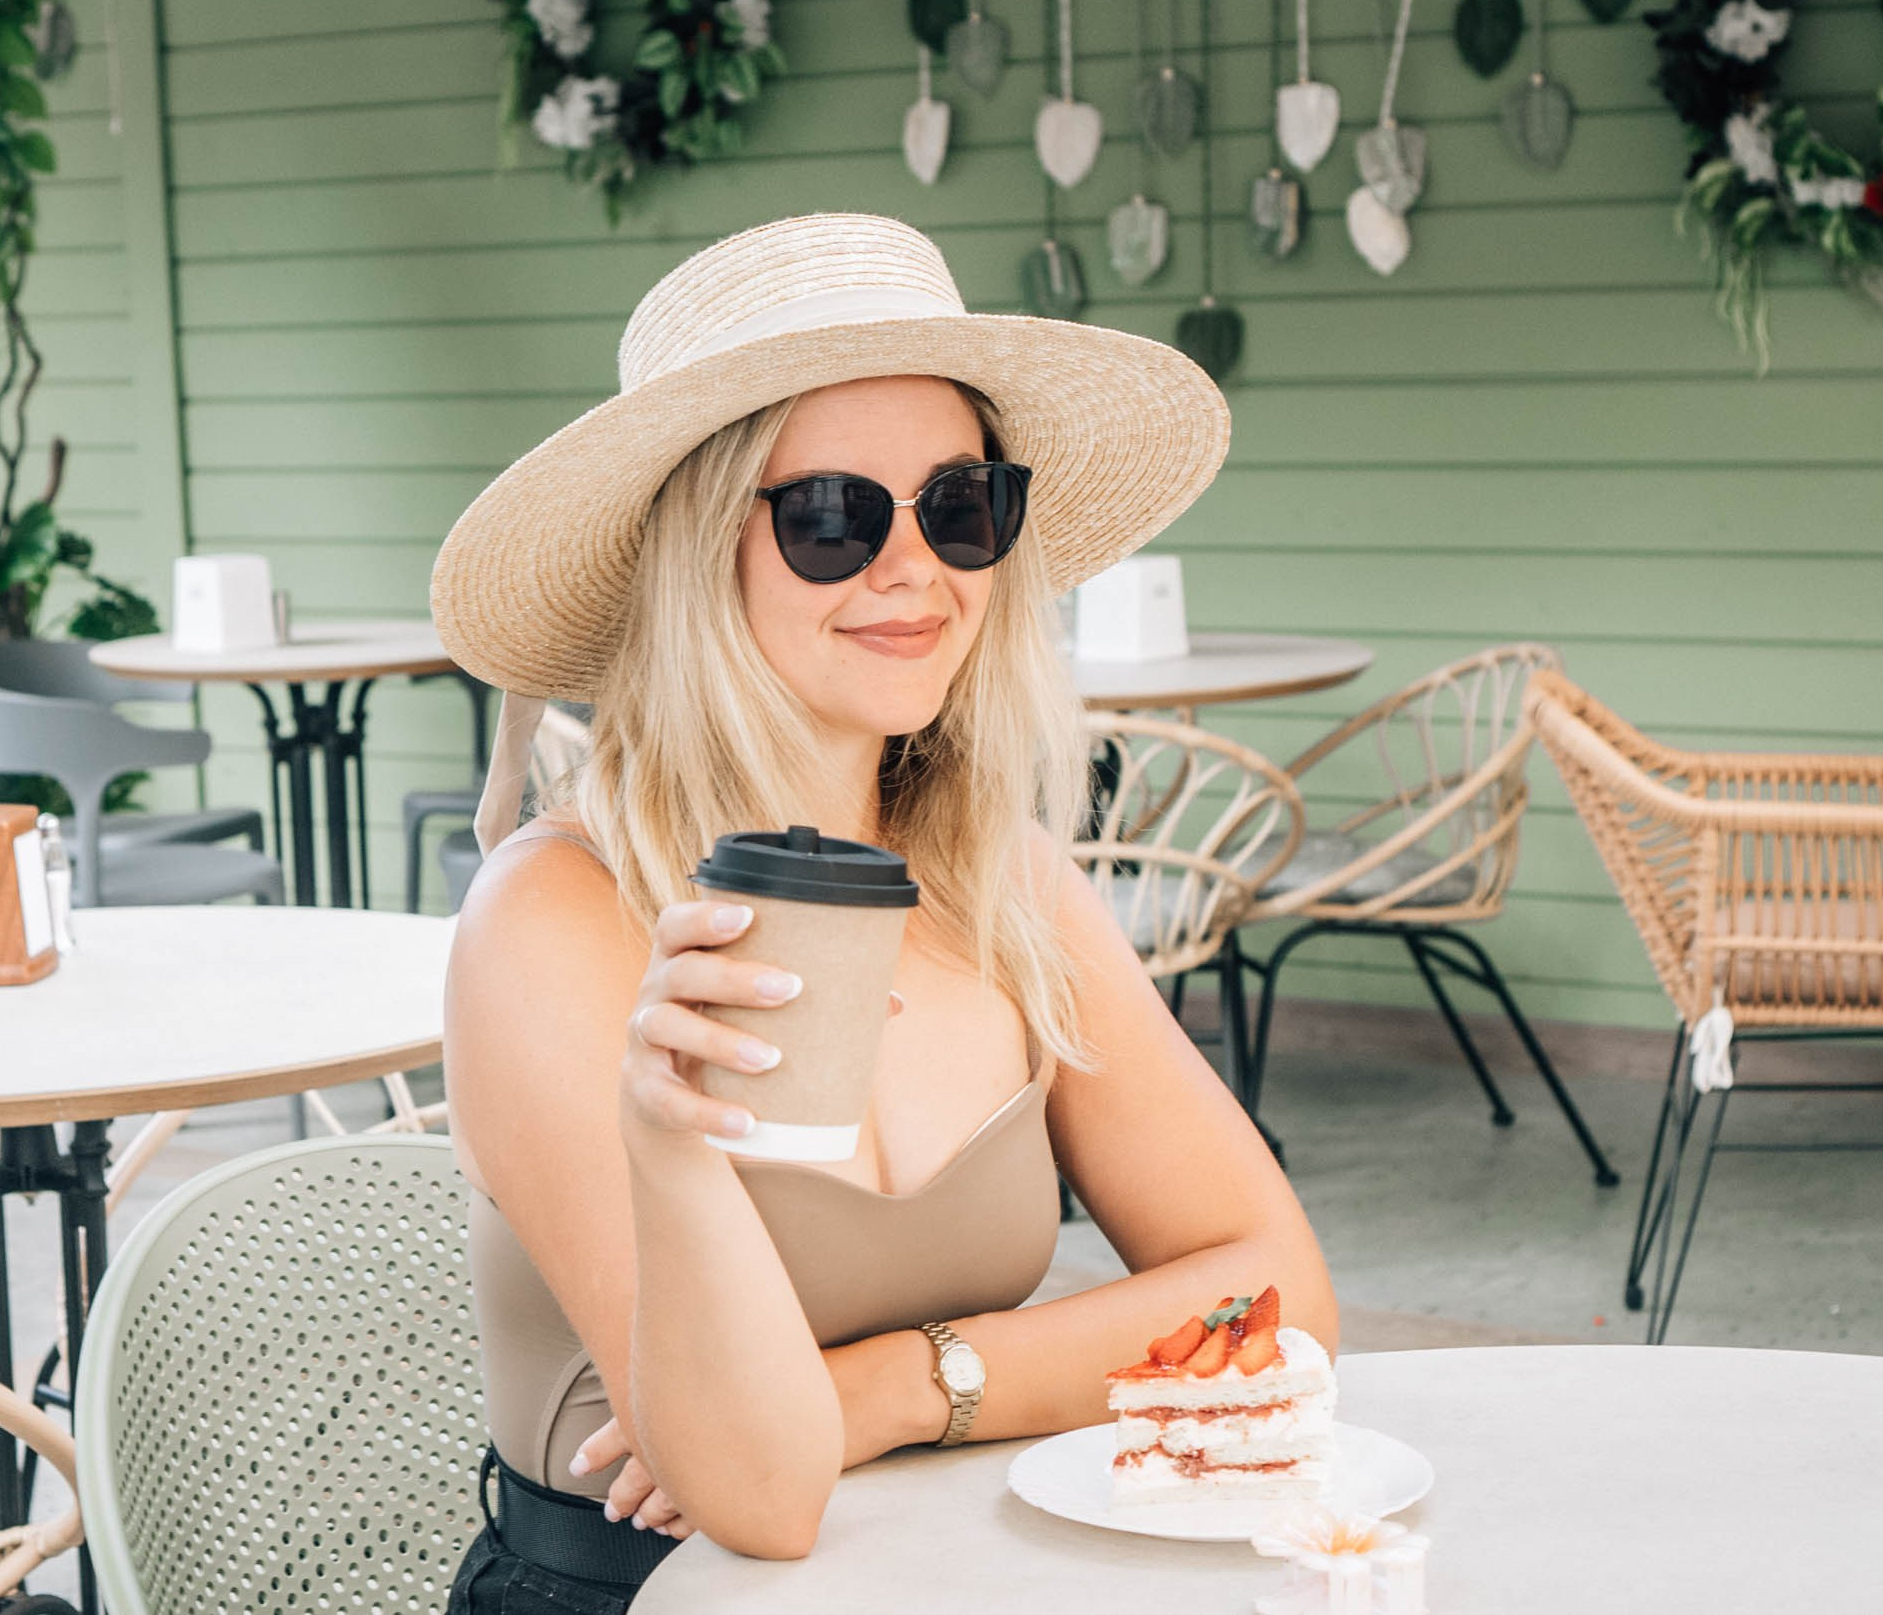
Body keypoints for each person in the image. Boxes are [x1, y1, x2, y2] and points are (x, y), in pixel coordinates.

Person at [432, 212, 1335, 1614]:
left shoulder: (1005, 883)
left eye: (962, 507)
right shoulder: (555, 920)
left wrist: (893, 1390)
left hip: (959, 1570)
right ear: (696, 551)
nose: (915, 569)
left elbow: (1278, 1307)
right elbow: (762, 1497)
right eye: (834, 516)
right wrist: (672, 1152)